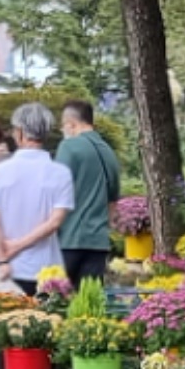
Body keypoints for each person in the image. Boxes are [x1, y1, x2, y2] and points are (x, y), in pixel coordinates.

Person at [0, 102, 74, 293]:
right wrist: (17, 246)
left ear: (19, 132)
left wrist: (2, 259)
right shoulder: (60, 173)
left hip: (8, 270)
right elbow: (55, 222)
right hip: (48, 270)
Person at [54, 96, 124, 280]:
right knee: (90, 296)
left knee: (56, 295)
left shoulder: (69, 146)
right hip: (98, 243)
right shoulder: (108, 151)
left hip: (70, 239)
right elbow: (113, 202)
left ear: (71, 124)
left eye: (63, 126)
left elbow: (56, 190)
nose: (63, 130)